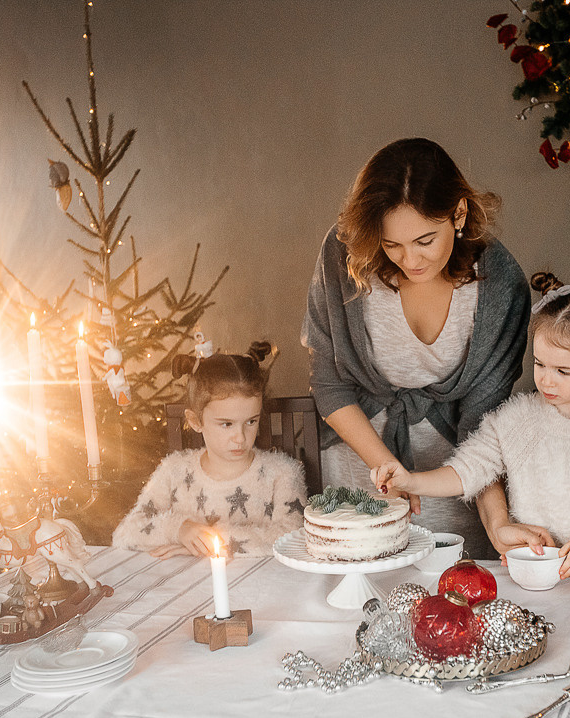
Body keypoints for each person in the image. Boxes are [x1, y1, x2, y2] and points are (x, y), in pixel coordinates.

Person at [301, 137, 542, 559]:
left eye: (425, 241)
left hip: (455, 479)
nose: (409, 260)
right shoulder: (346, 255)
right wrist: (387, 473)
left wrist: (497, 522)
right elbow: (329, 382)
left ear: (459, 213)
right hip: (359, 473)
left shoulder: (501, 285)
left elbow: (482, 425)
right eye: (391, 245)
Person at [373, 273, 570, 577]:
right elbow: (467, 470)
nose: (546, 379)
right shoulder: (516, 419)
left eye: (563, 371)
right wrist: (411, 481)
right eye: (540, 364)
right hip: (535, 567)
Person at [112, 341, 306, 558]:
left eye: (251, 421)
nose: (240, 438)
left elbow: (293, 538)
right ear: (195, 421)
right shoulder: (173, 471)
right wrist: (181, 530)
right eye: (226, 424)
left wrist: (205, 545)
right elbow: (125, 534)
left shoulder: (282, 473)